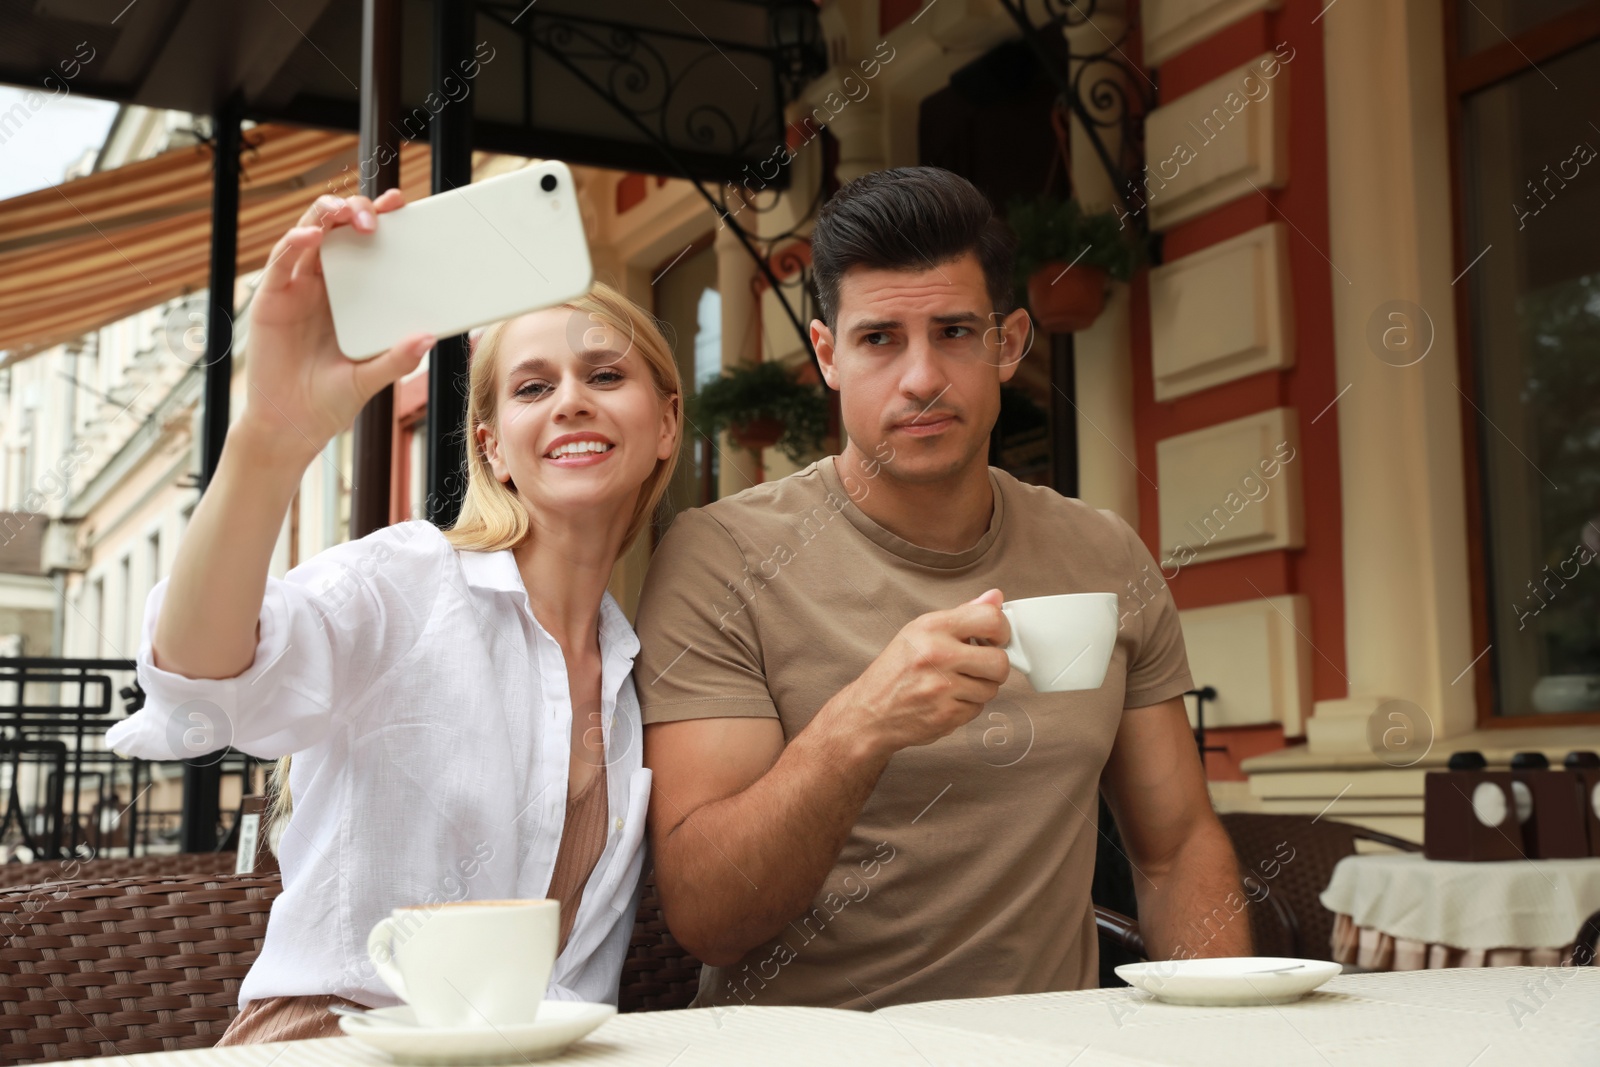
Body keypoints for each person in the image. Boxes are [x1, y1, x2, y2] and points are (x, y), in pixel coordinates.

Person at [634, 166, 1250, 1011]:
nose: (921, 377)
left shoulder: (1103, 555)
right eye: (880, 338)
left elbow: (1175, 848)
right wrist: (862, 723)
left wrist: (1225, 1039)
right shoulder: (722, 556)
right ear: (828, 357)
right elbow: (709, 917)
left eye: (955, 331)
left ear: (1009, 343)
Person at [107, 187, 681, 1041]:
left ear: (667, 424)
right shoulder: (410, 581)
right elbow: (204, 684)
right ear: (493, 445)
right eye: (531, 386)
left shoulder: (633, 671)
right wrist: (269, 434)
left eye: (605, 374)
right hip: (331, 1046)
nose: (571, 400)